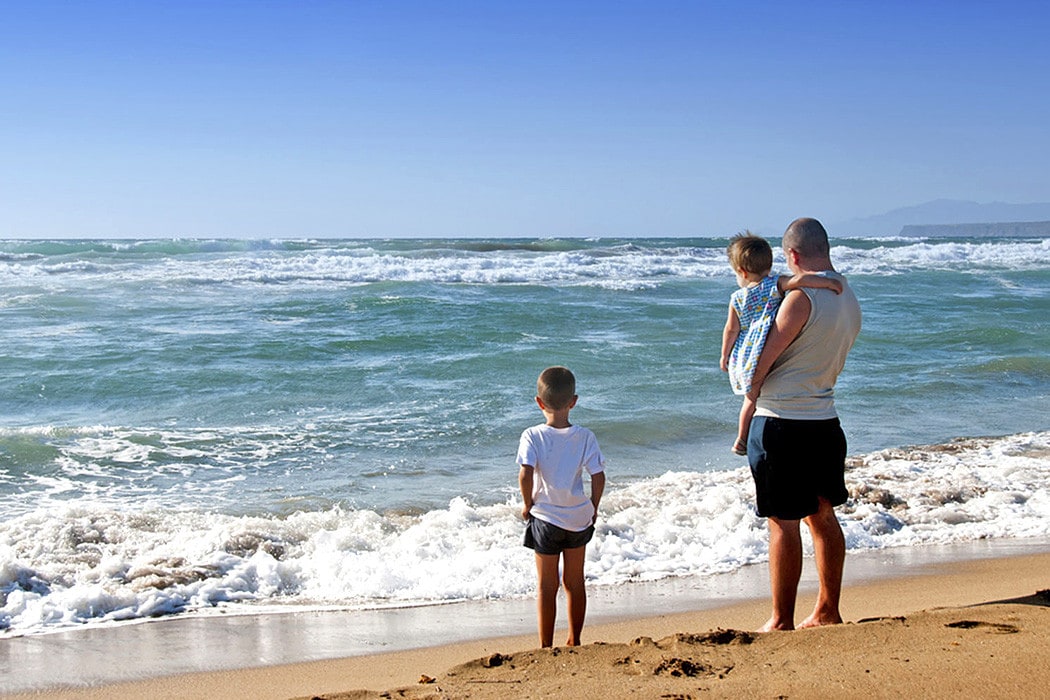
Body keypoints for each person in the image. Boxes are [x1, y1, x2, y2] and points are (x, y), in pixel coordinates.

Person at [744, 218, 861, 632]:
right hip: (825, 420)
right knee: (823, 515)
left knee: (783, 521)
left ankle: (781, 620)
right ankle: (828, 610)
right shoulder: (847, 294)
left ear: (792, 255)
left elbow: (762, 360)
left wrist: (748, 391)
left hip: (781, 423)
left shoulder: (801, 299)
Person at [720, 231, 842, 456]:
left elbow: (731, 329)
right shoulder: (774, 284)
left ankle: (741, 437)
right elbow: (801, 280)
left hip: (746, 354)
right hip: (765, 347)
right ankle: (742, 438)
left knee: (750, 397)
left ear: (742, 271)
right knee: (756, 396)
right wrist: (828, 283)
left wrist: (725, 355)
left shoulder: (736, 298)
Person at [518, 366, 606, 648]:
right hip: (578, 518)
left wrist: (527, 503)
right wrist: (593, 505)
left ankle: (546, 645)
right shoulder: (585, 436)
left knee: (546, 586)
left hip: (545, 517)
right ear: (574, 401)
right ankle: (574, 639)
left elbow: (526, 473)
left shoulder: (532, 435)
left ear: (539, 402)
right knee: (574, 582)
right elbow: (598, 475)